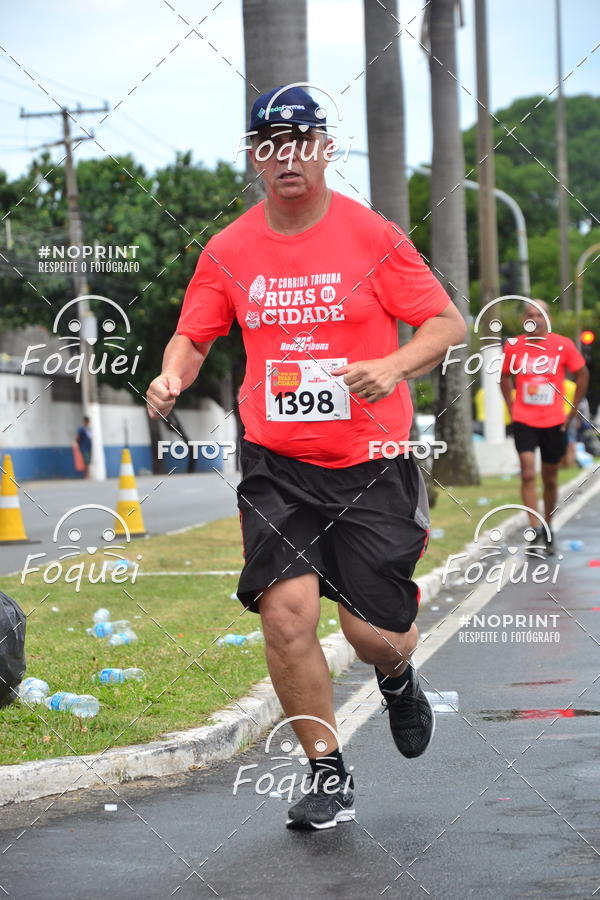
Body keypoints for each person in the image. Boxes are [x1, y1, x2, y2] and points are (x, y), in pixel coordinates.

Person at [146, 85, 466, 830]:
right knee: (286, 616)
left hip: (372, 459)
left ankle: (395, 676)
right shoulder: (229, 250)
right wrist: (172, 374)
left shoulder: (372, 236)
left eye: (301, 142)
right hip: (276, 462)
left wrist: (393, 367)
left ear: (324, 149)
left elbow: (446, 323)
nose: (286, 157)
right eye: (270, 145)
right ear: (256, 157)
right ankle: (327, 774)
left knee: (371, 632)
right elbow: (194, 334)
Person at [500, 301, 588, 553]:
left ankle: (548, 525)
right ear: (523, 320)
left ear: (548, 318)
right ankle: (535, 528)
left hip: (553, 421)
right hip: (524, 419)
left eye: (540, 314)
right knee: (528, 473)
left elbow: (582, 374)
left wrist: (571, 413)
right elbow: (504, 376)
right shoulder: (514, 346)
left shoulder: (562, 345)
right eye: (530, 314)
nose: (535, 319)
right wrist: (511, 405)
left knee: (550, 478)